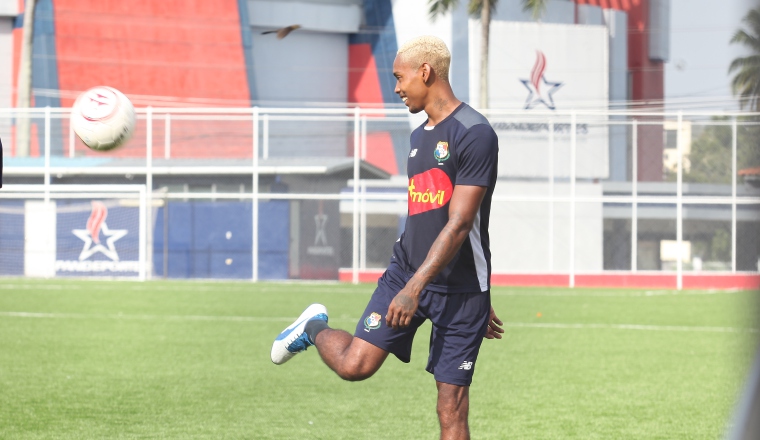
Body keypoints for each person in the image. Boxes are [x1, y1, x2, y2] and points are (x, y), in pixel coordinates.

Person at [271, 35, 503, 440]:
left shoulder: (475, 133)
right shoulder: (418, 138)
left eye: (400, 78)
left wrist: (477, 294)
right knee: (353, 367)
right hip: (406, 273)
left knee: (451, 407)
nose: (396, 88)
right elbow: (426, 219)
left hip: (459, 291)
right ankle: (311, 328)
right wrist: (410, 283)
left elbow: (462, 224)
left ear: (425, 73)